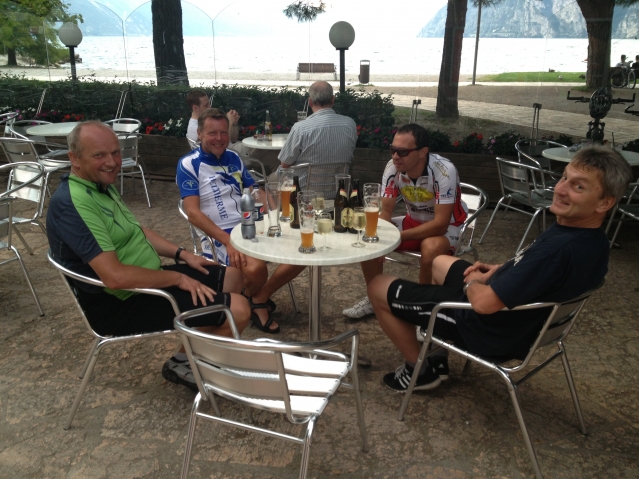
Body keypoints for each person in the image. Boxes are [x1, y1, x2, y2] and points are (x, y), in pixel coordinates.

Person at [368, 145, 631, 392]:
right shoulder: (593, 240)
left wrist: (473, 281)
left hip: (489, 330)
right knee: (439, 262)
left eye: (578, 186)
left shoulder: (556, 251)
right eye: (564, 178)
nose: (560, 190)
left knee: (378, 286)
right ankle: (438, 353)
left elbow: (484, 304)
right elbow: (540, 271)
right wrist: (504, 268)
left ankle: (419, 371)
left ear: (604, 203)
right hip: (518, 319)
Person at [46, 121, 251, 392]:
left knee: (233, 276)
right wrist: (178, 278)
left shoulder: (98, 185)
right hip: (118, 302)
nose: (112, 162)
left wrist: (183, 254)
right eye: (99, 155)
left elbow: (136, 230)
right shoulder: (74, 203)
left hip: (145, 280)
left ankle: (186, 358)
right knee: (238, 309)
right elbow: (115, 277)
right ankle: (190, 364)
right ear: (75, 158)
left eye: (115, 152)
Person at [178, 108, 304, 334]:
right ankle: (255, 301)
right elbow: (193, 213)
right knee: (256, 269)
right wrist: (227, 241)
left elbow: (254, 190)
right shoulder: (189, 163)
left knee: (305, 249)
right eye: (212, 133)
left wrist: (277, 217)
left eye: (223, 133)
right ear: (200, 133)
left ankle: (258, 297)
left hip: (249, 224)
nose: (219, 138)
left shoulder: (234, 157)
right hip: (219, 234)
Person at [343, 123, 467, 319]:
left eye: (402, 152)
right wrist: (380, 239)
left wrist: (397, 237)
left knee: (430, 247)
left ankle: (423, 308)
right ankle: (374, 297)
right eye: (392, 150)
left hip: (447, 227)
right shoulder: (393, 167)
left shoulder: (444, 170)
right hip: (412, 221)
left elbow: (440, 224)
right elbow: (385, 211)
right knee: (369, 235)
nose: (395, 156)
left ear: (422, 152)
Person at [278, 81, 357, 169]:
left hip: (303, 178)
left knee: (271, 175)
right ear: (333, 100)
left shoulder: (300, 128)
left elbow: (284, 164)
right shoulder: (350, 124)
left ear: (310, 102)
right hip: (340, 178)